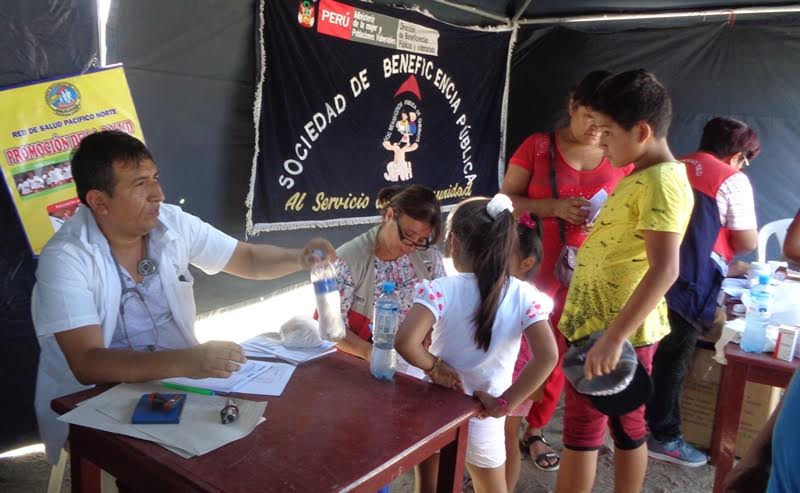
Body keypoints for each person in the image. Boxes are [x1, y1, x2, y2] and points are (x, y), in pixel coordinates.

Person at [32, 130, 336, 465]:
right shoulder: (67, 258)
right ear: (99, 201)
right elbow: (88, 363)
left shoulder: (172, 224)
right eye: (139, 184)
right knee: (171, 470)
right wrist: (189, 362)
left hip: (180, 383)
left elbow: (245, 258)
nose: (158, 194)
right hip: (100, 399)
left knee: (273, 437)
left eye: (156, 178)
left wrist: (298, 259)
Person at [554, 70, 694, 493]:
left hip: (614, 334)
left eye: (610, 133)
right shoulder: (641, 175)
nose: (601, 142)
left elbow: (665, 268)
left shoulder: (661, 182)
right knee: (623, 422)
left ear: (643, 130)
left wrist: (614, 339)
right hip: (602, 329)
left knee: (585, 430)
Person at [500, 69, 633, 469]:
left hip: (589, 274)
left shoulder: (619, 156)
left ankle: (536, 431)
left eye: (605, 122)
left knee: (567, 352)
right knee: (528, 350)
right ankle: (504, 430)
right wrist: (552, 208)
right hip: (532, 268)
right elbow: (506, 201)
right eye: (590, 117)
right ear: (572, 106)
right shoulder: (539, 148)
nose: (597, 129)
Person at [396, 194, 559, 493]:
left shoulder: (439, 290)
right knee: (491, 487)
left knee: (429, 484)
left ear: (454, 244)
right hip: (485, 412)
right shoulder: (525, 295)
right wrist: (505, 403)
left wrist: (435, 367)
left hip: (437, 407)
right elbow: (548, 356)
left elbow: (406, 342)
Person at [646, 117, 761, 467]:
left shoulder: (673, 164)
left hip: (649, 270)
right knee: (672, 360)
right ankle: (663, 436)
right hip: (689, 281)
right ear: (738, 155)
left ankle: (627, 421)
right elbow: (746, 241)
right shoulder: (732, 180)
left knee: (645, 350)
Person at [333, 184, 445, 493]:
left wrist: (428, 339)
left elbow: (444, 304)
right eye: (407, 235)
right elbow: (332, 329)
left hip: (417, 363)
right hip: (365, 367)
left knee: (427, 440)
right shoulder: (347, 259)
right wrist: (374, 354)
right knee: (372, 448)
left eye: (421, 240)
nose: (411, 246)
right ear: (390, 215)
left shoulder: (429, 257)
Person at [504, 211, 545, 491]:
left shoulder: (528, 298)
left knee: (507, 440)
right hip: (497, 379)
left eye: (500, 255)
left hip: (514, 384)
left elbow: (543, 354)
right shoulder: (503, 288)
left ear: (526, 263)